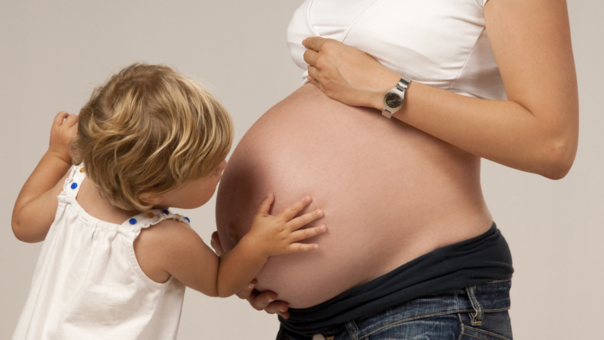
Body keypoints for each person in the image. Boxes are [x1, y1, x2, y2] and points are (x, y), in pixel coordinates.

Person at [212, 0, 578, 339]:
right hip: (308, 322)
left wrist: (386, 90)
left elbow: (551, 144)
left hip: (423, 300)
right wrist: (249, 262)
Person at [10, 63, 327, 340]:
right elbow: (218, 281)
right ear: (150, 193)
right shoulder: (160, 238)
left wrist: (56, 154)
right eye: (209, 171)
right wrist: (257, 245)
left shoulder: (78, 181)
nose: (224, 167)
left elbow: (23, 224)